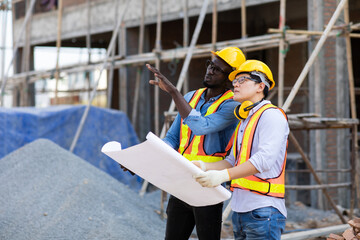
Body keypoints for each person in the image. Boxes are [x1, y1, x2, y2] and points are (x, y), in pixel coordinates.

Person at [146, 46, 246, 240]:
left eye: (218, 69)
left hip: (207, 184)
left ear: (231, 77)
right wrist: (145, 159)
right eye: (210, 65)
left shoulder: (233, 105)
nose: (210, 70)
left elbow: (202, 127)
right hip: (182, 181)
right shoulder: (191, 97)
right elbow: (172, 139)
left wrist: (174, 93)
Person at [194, 60, 289, 240]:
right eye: (234, 81)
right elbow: (231, 161)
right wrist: (204, 166)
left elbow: (264, 160)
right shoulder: (245, 119)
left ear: (261, 86)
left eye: (242, 80)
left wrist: (223, 176)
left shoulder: (272, 115)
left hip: (263, 210)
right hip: (240, 210)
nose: (235, 84)